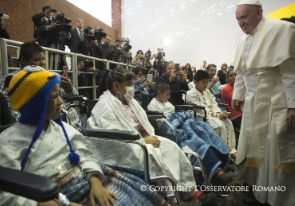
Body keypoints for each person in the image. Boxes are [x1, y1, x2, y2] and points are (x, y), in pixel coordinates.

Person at [0, 66, 172, 206]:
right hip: (47, 195)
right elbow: (6, 195)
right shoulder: (8, 143)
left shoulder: (65, 130)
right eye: (55, 97)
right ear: (36, 104)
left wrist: (95, 183)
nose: (62, 101)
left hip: (83, 181)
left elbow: (85, 156)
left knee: (135, 193)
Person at [87, 68, 217, 206]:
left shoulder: (129, 101)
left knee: (170, 146)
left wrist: (147, 137)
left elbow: (141, 124)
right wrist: (143, 141)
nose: (133, 87)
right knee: (153, 154)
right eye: (129, 84)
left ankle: (187, 192)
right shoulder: (105, 106)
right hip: (125, 146)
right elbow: (115, 136)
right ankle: (173, 199)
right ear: (116, 86)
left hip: (140, 139)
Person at [232, 0, 295, 206]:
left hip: (279, 104)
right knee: (257, 149)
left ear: (259, 13)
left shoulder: (282, 30)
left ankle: (285, 198)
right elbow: (242, 70)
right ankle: (262, 193)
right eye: (238, 19)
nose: (241, 23)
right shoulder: (243, 40)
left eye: (245, 17)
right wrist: (238, 94)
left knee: (277, 152)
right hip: (254, 103)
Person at [147, 83, 235, 185]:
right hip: (170, 127)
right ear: (159, 93)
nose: (169, 96)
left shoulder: (167, 103)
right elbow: (162, 123)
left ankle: (219, 167)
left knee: (202, 128)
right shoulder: (152, 106)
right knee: (198, 142)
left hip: (180, 122)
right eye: (167, 94)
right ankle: (216, 173)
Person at [0, 42, 82, 131]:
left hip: (71, 126)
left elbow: (76, 100)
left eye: (43, 59)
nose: (42, 63)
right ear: (23, 60)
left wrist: (70, 89)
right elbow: (7, 112)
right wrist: (44, 117)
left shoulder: (53, 76)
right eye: (37, 60)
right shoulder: (10, 81)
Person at [186, 70, 237, 155]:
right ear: (195, 82)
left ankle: (231, 150)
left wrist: (220, 113)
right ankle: (221, 152)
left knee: (228, 122)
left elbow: (214, 103)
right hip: (200, 117)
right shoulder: (190, 94)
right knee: (217, 125)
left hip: (212, 114)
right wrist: (217, 115)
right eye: (203, 83)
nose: (206, 85)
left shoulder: (207, 91)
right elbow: (201, 108)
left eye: (207, 82)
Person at [221, 69, 242, 138]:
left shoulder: (238, 87)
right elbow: (240, 100)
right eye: (231, 76)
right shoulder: (226, 88)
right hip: (234, 114)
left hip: (241, 111)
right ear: (227, 78)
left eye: (236, 75)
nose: (234, 77)